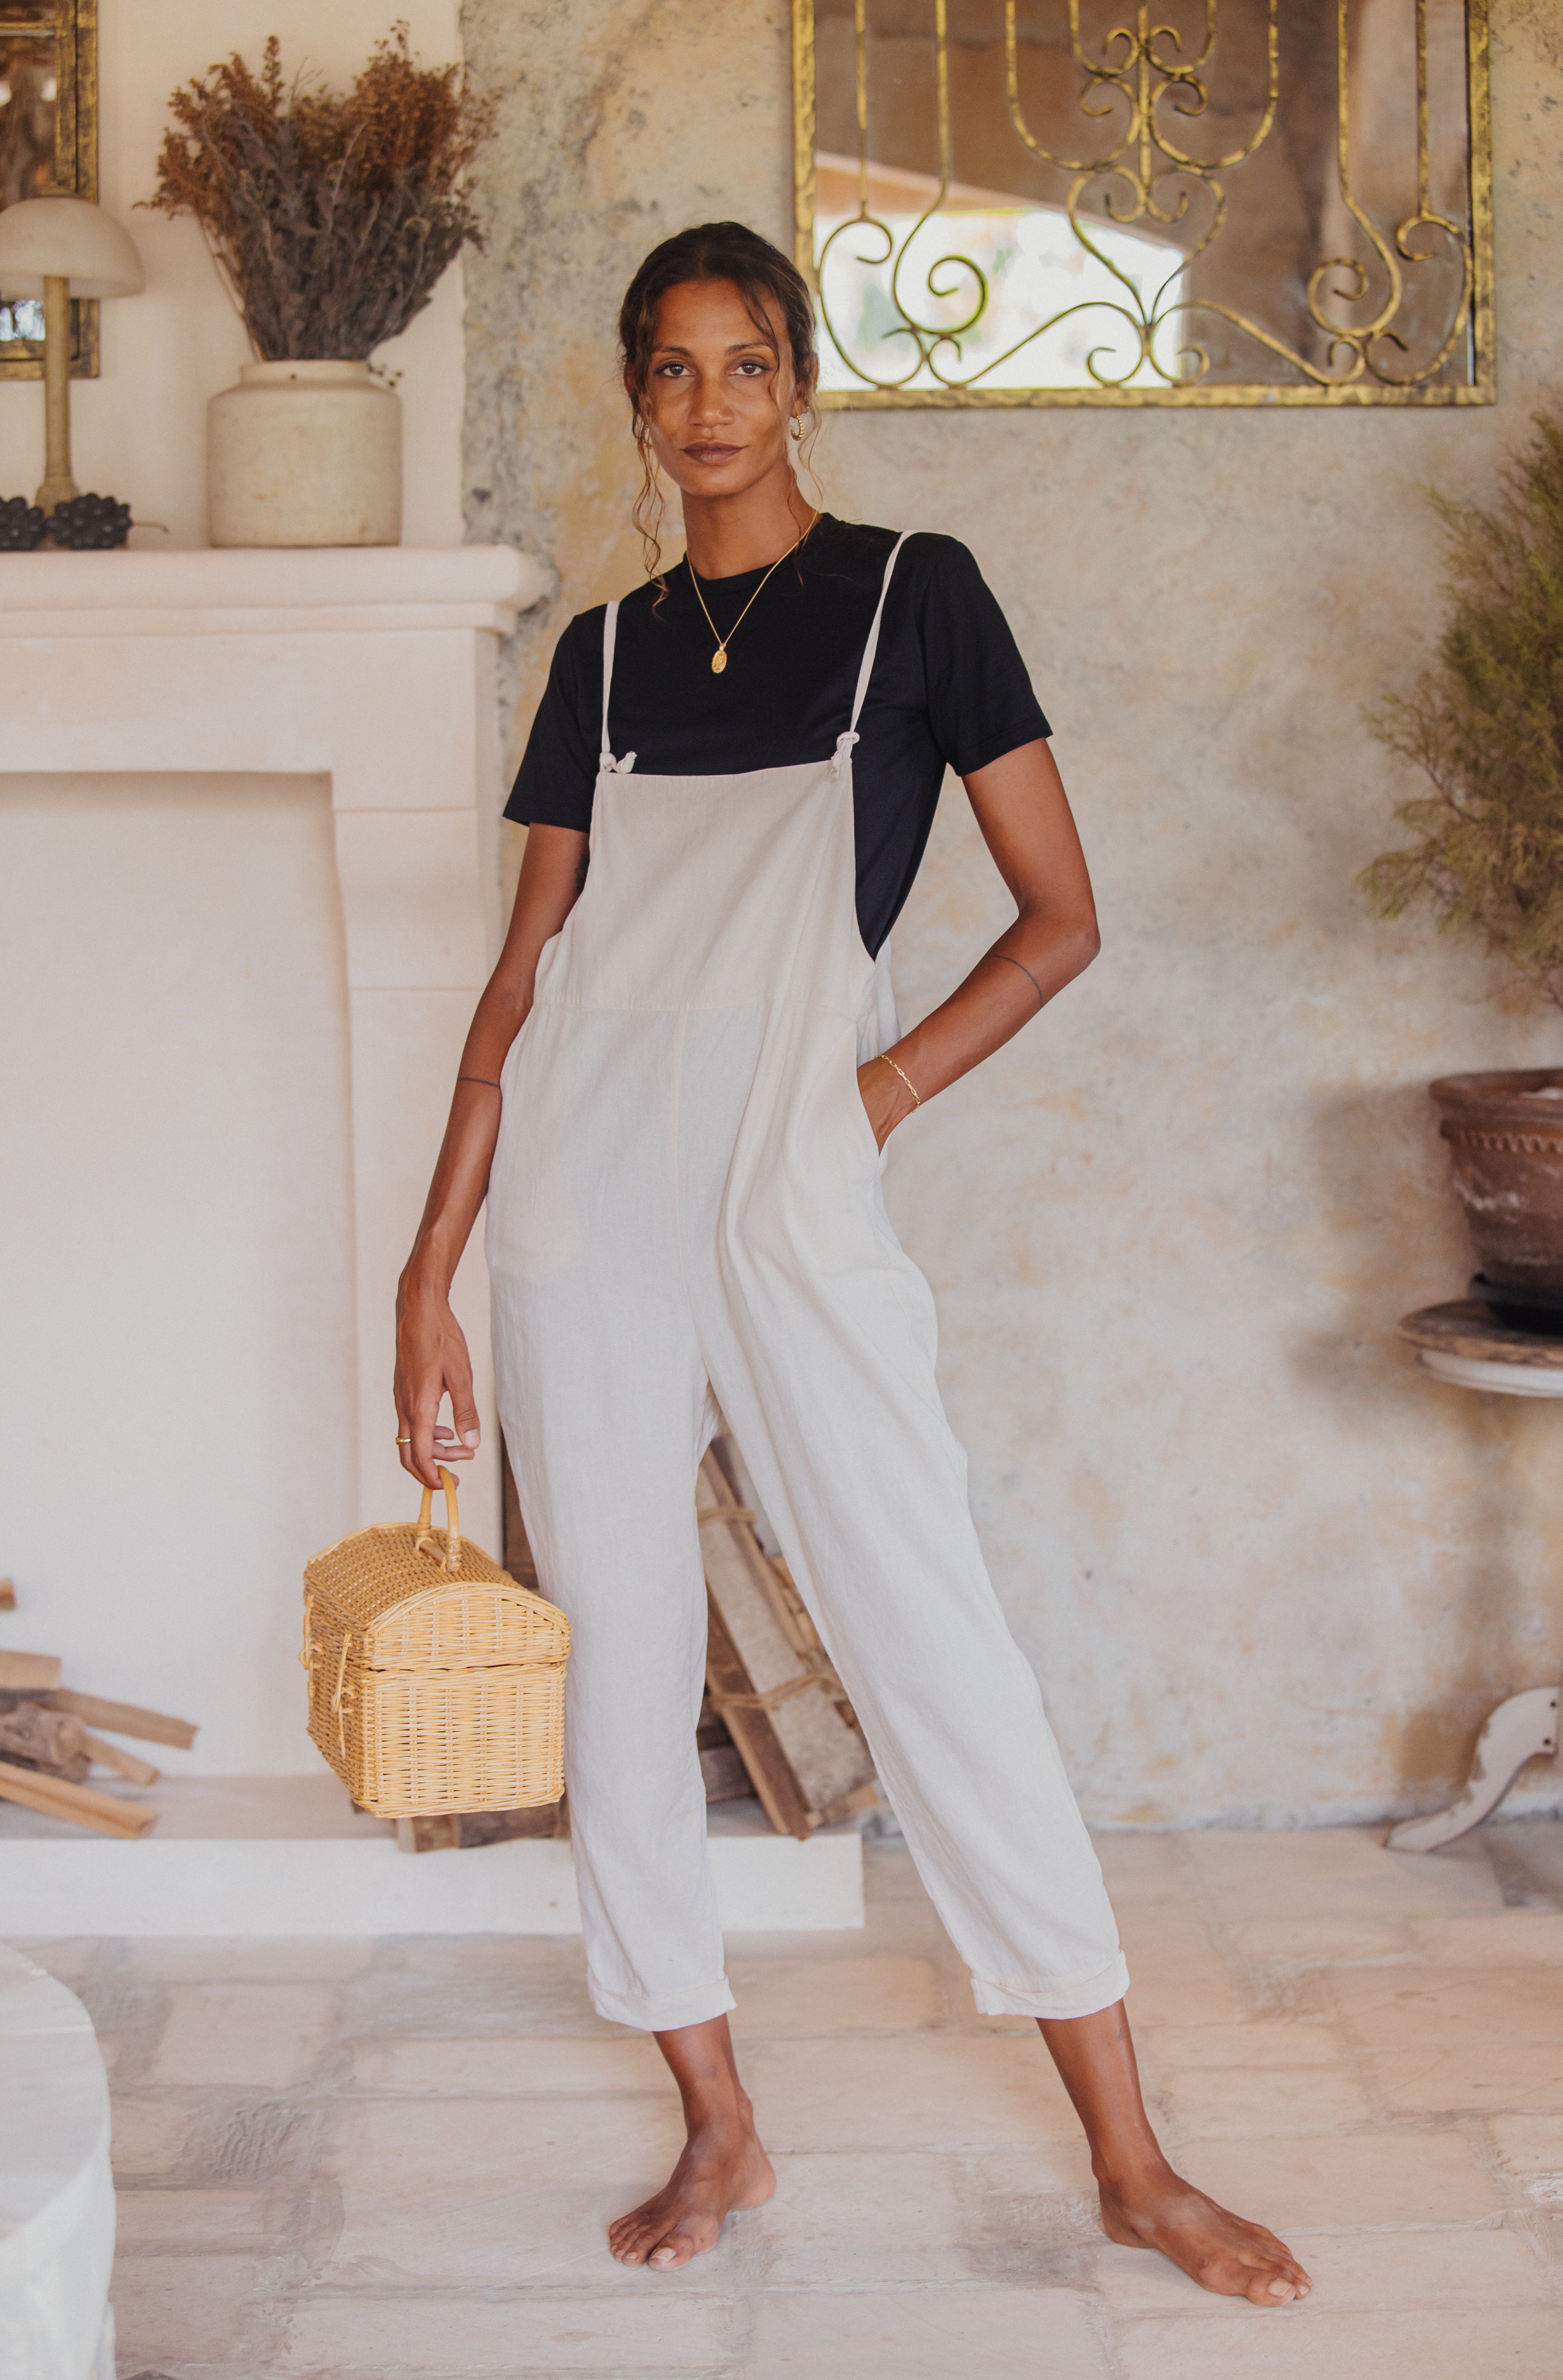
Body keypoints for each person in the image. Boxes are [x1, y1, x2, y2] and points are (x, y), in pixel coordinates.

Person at [394, 221, 1310, 2308]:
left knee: (932, 1637)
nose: (705, 402)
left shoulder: (922, 597)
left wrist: (875, 1097)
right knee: (618, 1671)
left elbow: (1059, 917)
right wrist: (425, 1271)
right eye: (669, 369)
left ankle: (1133, 2158)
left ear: (798, 379)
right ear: (637, 399)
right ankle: (717, 2122)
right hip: (578, 1201)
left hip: (788, 1184)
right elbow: (521, 978)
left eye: (741, 363)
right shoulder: (604, 659)